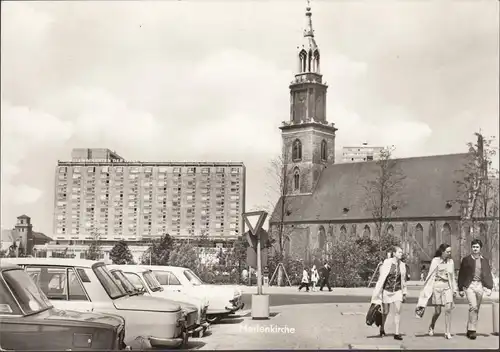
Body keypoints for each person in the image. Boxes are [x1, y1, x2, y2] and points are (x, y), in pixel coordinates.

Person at [416, 243, 458, 340]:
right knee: (438, 311)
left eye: (450, 252)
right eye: (447, 252)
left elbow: (452, 278)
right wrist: (427, 289)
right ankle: (432, 325)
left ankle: (447, 332)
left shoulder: (450, 262)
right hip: (437, 286)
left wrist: (454, 289)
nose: (449, 253)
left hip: (447, 286)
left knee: (448, 309)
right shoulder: (435, 261)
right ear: (442, 252)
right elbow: (430, 275)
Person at [458, 239, 494, 340]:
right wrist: (460, 288)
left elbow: (488, 274)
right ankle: (472, 331)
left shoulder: (484, 260)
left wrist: (490, 287)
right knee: (473, 306)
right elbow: (462, 274)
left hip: (480, 286)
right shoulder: (466, 259)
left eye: (477, 247)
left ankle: (470, 328)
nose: (475, 249)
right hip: (470, 285)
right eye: (473, 247)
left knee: (476, 309)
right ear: (471, 248)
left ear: (480, 248)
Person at [370, 246, 407, 341]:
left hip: (397, 291)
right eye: (399, 252)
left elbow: (403, 280)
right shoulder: (387, 262)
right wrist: (379, 291)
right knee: (385, 312)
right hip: (387, 290)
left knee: (398, 311)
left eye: (401, 252)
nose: (401, 254)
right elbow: (382, 276)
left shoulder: (402, 265)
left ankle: (396, 333)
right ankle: (382, 328)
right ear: (394, 253)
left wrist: (404, 292)